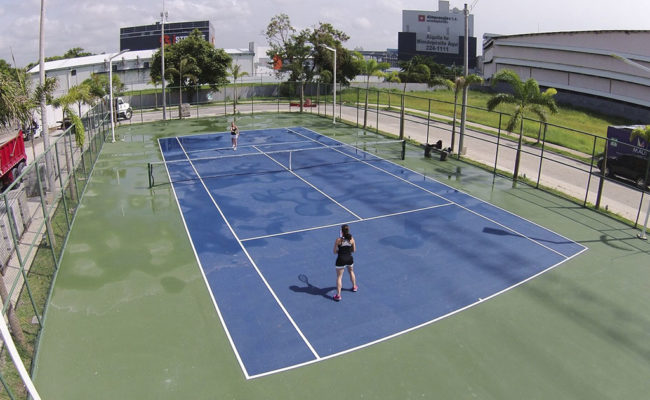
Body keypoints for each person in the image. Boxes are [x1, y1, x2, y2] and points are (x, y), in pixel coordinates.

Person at [333, 224, 357, 301]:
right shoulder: (352, 239)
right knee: (351, 272)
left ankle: (338, 295)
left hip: (341, 260)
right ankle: (354, 287)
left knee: (339, 277)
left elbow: (334, 251)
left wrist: (340, 251)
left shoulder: (338, 240)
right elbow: (354, 250)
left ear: (342, 232)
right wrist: (347, 250)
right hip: (349, 259)